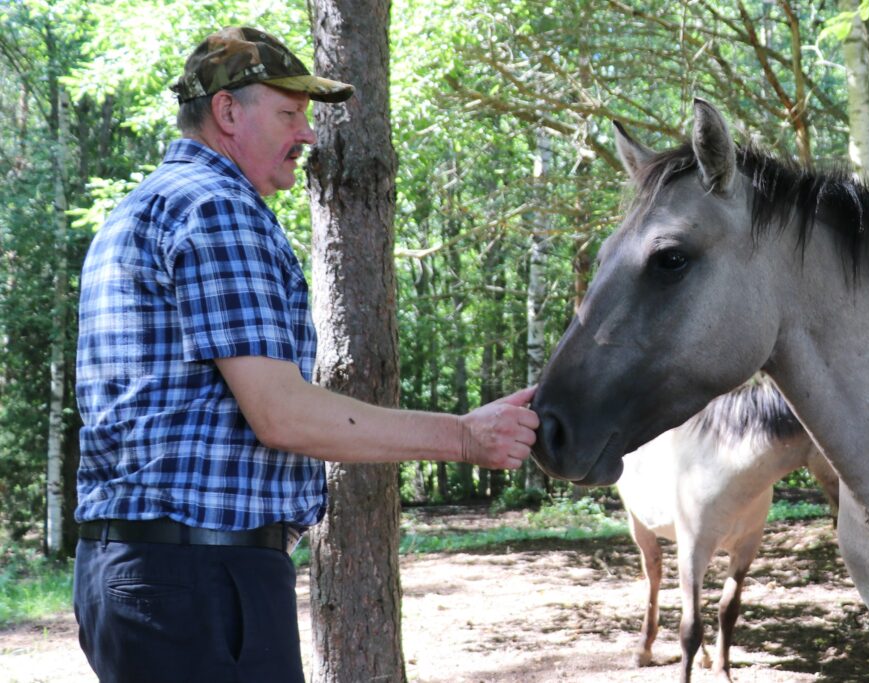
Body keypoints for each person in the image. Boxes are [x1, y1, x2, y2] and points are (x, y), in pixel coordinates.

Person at [73, 26, 539, 683]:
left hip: (132, 576)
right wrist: (463, 437)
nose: (310, 133)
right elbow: (282, 413)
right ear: (228, 112)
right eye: (290, 113)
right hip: (203, 585)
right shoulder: (217, 210)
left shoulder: (135, 212)